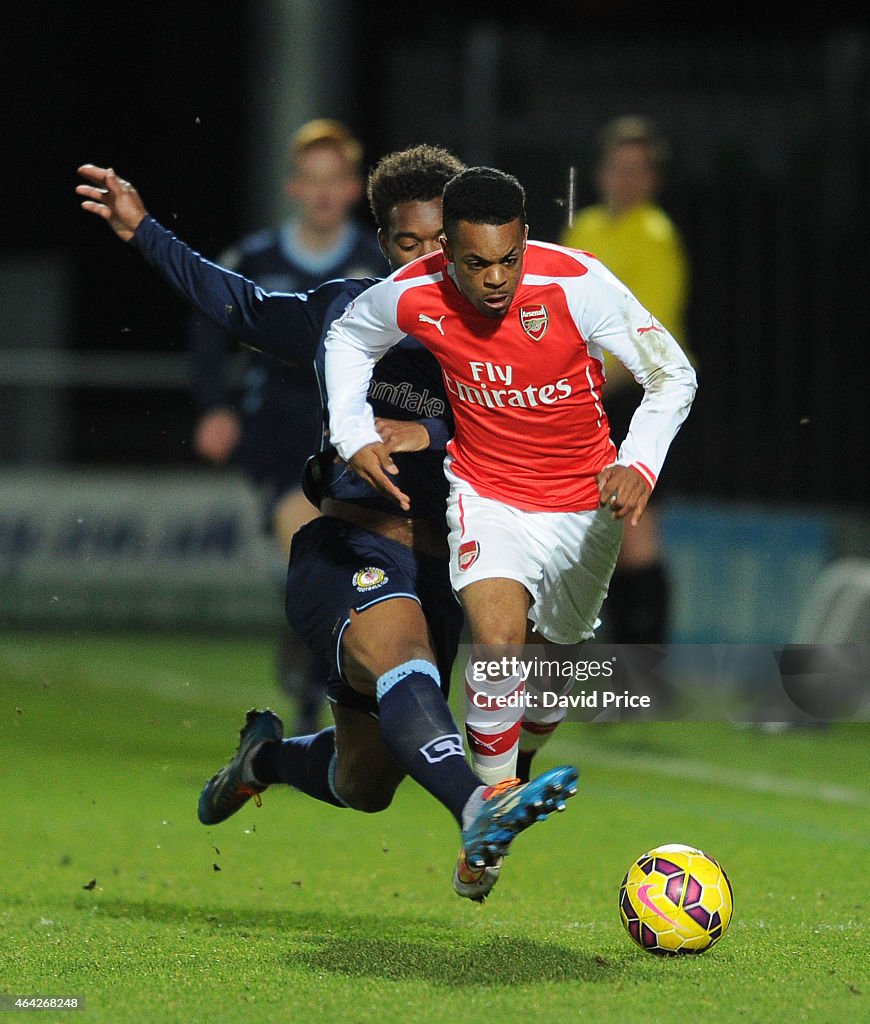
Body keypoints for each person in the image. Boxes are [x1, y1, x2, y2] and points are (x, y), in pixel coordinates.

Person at [76, 148, 578, 903]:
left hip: (449, 570)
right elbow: (236, 305)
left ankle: (266, 762)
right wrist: (144, 228)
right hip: (351, 547)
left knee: (367, 781)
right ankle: (479, 810)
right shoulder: (348, 314)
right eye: (409, 244)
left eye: (442, 245)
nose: (427, 260)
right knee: (405, 658)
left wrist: (435, 438)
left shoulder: (500, 343)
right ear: (385, 248)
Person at [322, 166, 697, 784]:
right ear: (447, 249)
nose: (496, 279)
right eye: (476, 264)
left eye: (509, 259)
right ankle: (487, 821)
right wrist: (353, 432)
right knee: (497, 649)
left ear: (526, 236)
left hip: (583, 503)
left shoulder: (578, 283)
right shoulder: (413, 291)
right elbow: (347, 339)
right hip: (487, 492)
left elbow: (672, 375)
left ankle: (515, 766)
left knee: (550, 677)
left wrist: (637, 462)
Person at [189, 119, 385, 735]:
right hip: (279, 437)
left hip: (355, 439)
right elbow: (205, 328)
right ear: (293, 188)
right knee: (313, 553)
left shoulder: (377, 261)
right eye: (312, 181)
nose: (324, 193)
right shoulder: (254, 259)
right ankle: (312, 695)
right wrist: (212, 406)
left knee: (351, 571)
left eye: (336, 181)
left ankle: (327, 677)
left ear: (353, 189)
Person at [561, 116, 692, 646]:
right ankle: (617, 664)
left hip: (638, 397)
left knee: (635, 533)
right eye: (619, 168)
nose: (627, 180)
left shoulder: (655, 236)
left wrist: (575, 389)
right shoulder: (585, 228)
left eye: (639, 171)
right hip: (592, 392)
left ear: (653, 180)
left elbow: (647, 347)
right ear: (601, 174)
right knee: (601, 532)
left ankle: (645, 671)